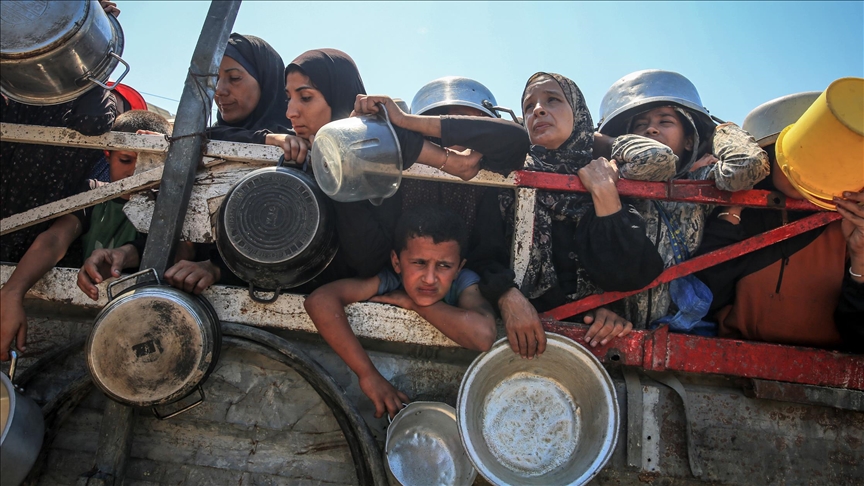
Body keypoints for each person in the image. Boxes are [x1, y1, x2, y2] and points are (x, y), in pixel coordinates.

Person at [77, 33, 294, 296]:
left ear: (266, 81)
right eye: (214, 79)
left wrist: (217, 269)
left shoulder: (291, 149)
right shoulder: (197, 146)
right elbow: (177, 234)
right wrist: (122, 254)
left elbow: (287, 244)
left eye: (234, 78)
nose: (220, 90)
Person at [491, 72, 666, 356]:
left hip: (588, 344)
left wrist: (604, 190)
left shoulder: (606, 173)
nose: (538, 110)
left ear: (579, 112)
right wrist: (506, 296)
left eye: (553, 100)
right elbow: (483, 255)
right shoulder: (507, 174)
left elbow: (628, 273)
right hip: (512, 339)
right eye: (529, 106)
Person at [590, 69, 770, 330]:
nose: (651, 128)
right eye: (640, 125)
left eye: (665, 122)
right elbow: (655, 159)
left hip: (683, 328)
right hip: (612, 324)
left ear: (689, 140)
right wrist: (606, 142)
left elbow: (747, 165)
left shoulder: (703, 180)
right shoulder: (612, 176)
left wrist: (720, 129)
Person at [695, 92, 864, 350]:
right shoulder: (737, 213)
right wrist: (730, 214)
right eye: (799, 155)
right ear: (768, 155)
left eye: (825, 159)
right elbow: (703, 300)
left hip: (827, 363)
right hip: (729, 354)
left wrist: (860, 257)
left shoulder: (850, 224)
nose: (806, 171)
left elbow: (858, 332)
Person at [2, 110, 172, 361]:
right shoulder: (93, 195)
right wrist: (12, 292)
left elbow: (179, 249)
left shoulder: (172, 206)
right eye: (125, 160)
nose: (134, 173)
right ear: (107, 154)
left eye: (149, 162)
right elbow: (54, 240)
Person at [304, 205, 496, 418]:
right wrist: (368, 375)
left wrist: (414, 304)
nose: (430, 278)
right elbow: (320, 301)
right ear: (396, 262)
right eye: (419, 263)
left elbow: (483, 336)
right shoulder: (390, 279)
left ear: (459, 268)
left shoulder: (464, 282)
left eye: (444, 266)